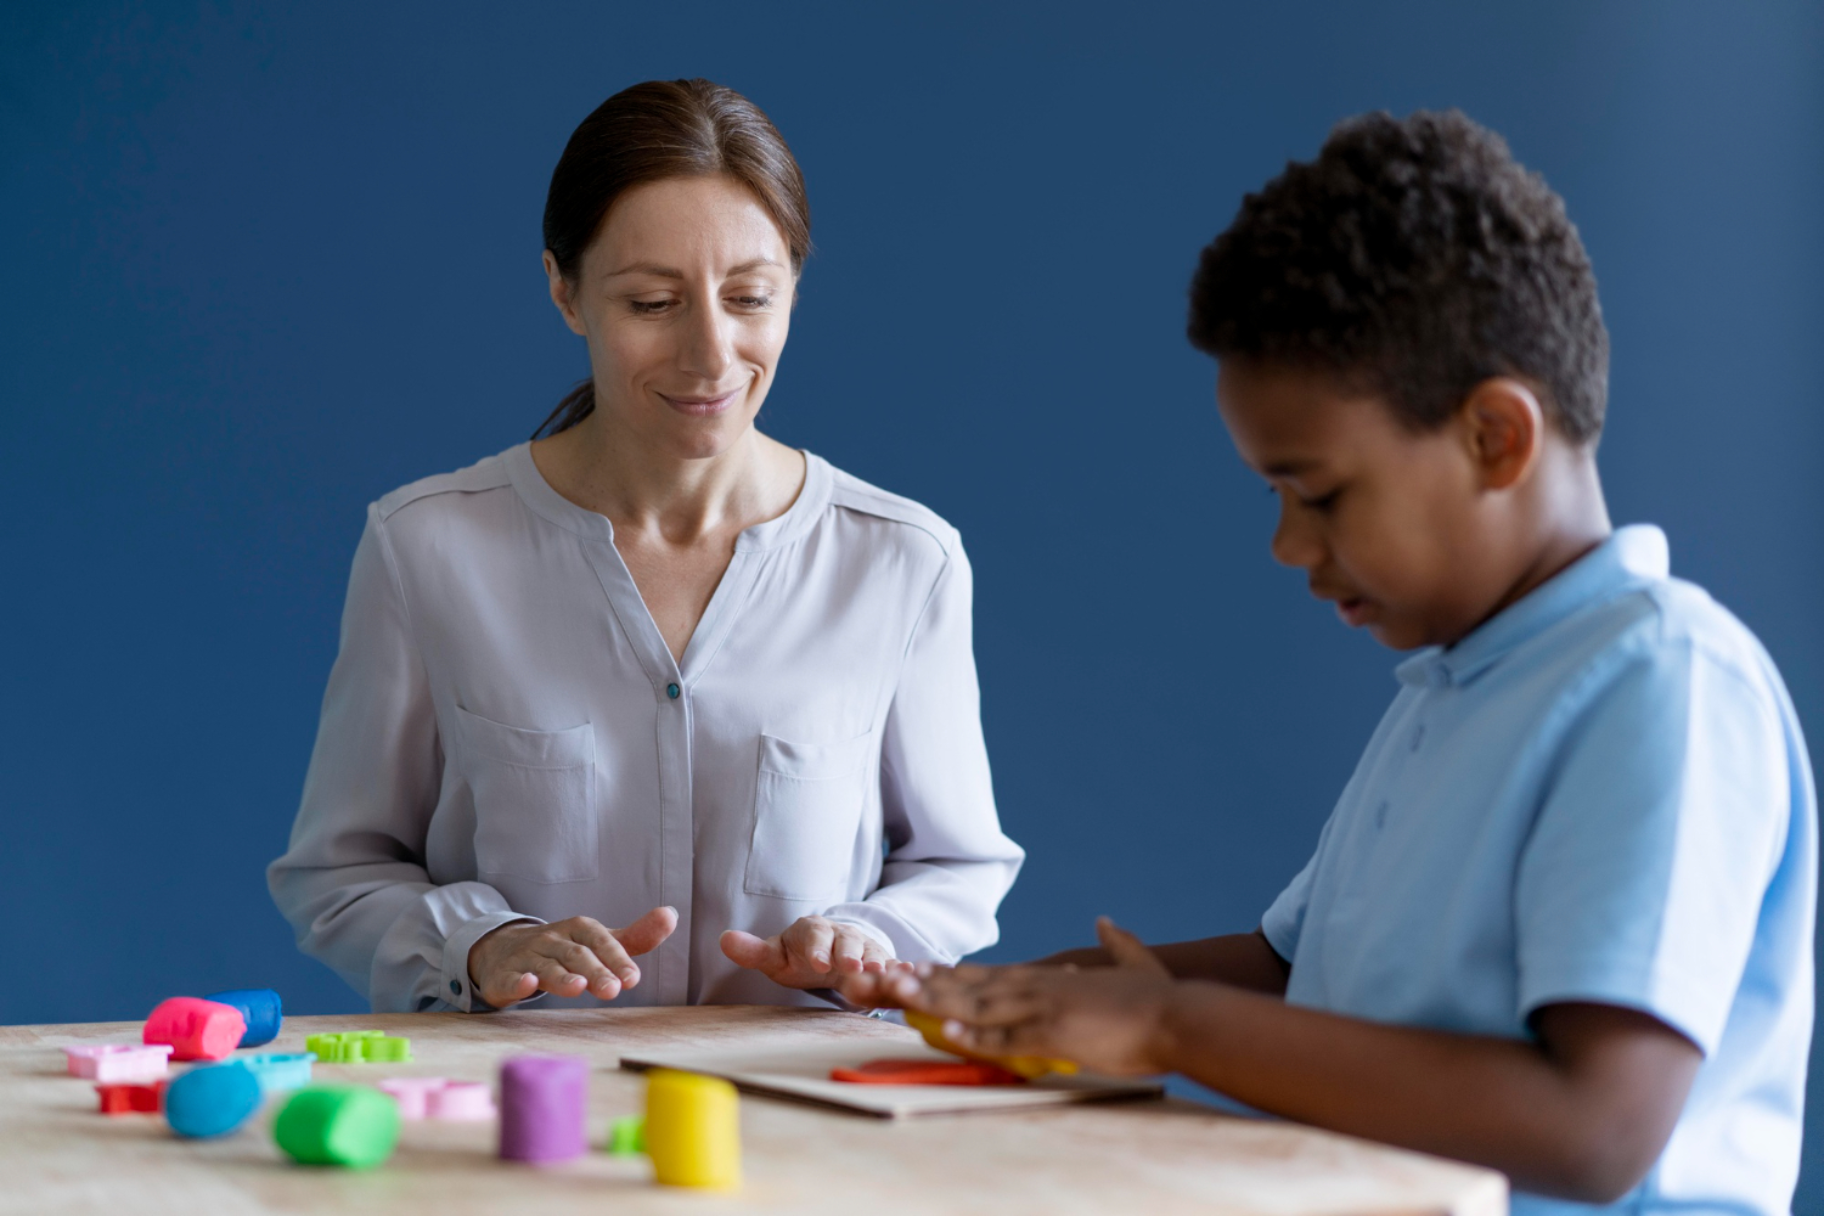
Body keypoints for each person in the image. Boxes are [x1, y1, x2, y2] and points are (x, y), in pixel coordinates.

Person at [842, 111, 1815, 1216]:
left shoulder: (1666, 681)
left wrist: (1171, 1024)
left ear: (1496, 436)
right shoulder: (1455, 684)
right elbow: (1303, 972)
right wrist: (1038, 992)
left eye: (1320, 493)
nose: (1290, 547)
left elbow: (1595, 1131)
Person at [268, 79, 1023, 1015]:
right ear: (565, 291)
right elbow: (339, 874)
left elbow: (957, 865)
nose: (711, 355)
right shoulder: (426, 547)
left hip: (803, 1130)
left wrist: (872, 940)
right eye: (654, 302)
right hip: (515, 1128)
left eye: (750, 296)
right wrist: (484, 942)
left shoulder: (903, 561)